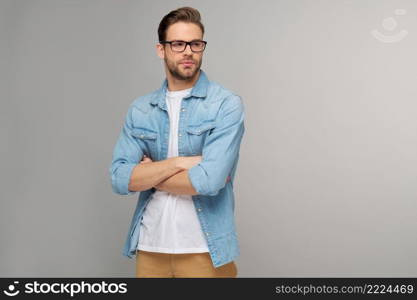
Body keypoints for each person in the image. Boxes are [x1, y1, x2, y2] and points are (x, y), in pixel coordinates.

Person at [109, 6, 245, 278]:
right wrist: (179, 164)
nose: (188, 52)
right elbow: (120, 178)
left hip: (204, 250)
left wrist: (150, 173)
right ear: (161, 49)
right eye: (178, 44)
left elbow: (208, 181)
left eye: (195, 44)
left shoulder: (225, 105)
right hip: (150, 248)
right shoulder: (141, 110)